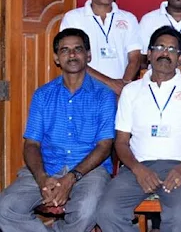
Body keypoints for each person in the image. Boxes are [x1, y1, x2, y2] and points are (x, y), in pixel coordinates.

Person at [0, 28, 116, 232]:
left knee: (87, 210)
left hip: (89, 171)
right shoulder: (43, 95)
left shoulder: (104, 96)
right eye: (64, 50)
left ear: (88, 55)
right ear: (56, 58)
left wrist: (71, 178)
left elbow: (105, 146)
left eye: (78, 49)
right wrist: (42, 178)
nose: (72, 55)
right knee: (5, 208)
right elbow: (31, 144)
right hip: (48, 167)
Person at [97, 26, 181, 232]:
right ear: (148, 54)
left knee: (179, 218)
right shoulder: (131, 91)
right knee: (106, 212)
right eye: (159, 47)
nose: (165, 53)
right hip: (137, 166)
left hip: (179, 167)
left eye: (172, 49)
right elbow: (121, 142)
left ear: (180, 59)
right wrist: (138, 169)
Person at [60, 0, 142, 95]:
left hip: (120, 92)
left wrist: (124, 86)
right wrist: (110, 83)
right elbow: (73, 58)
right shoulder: (73, 18)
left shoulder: (129, 18)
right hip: (85, 91)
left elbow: (135, 57)